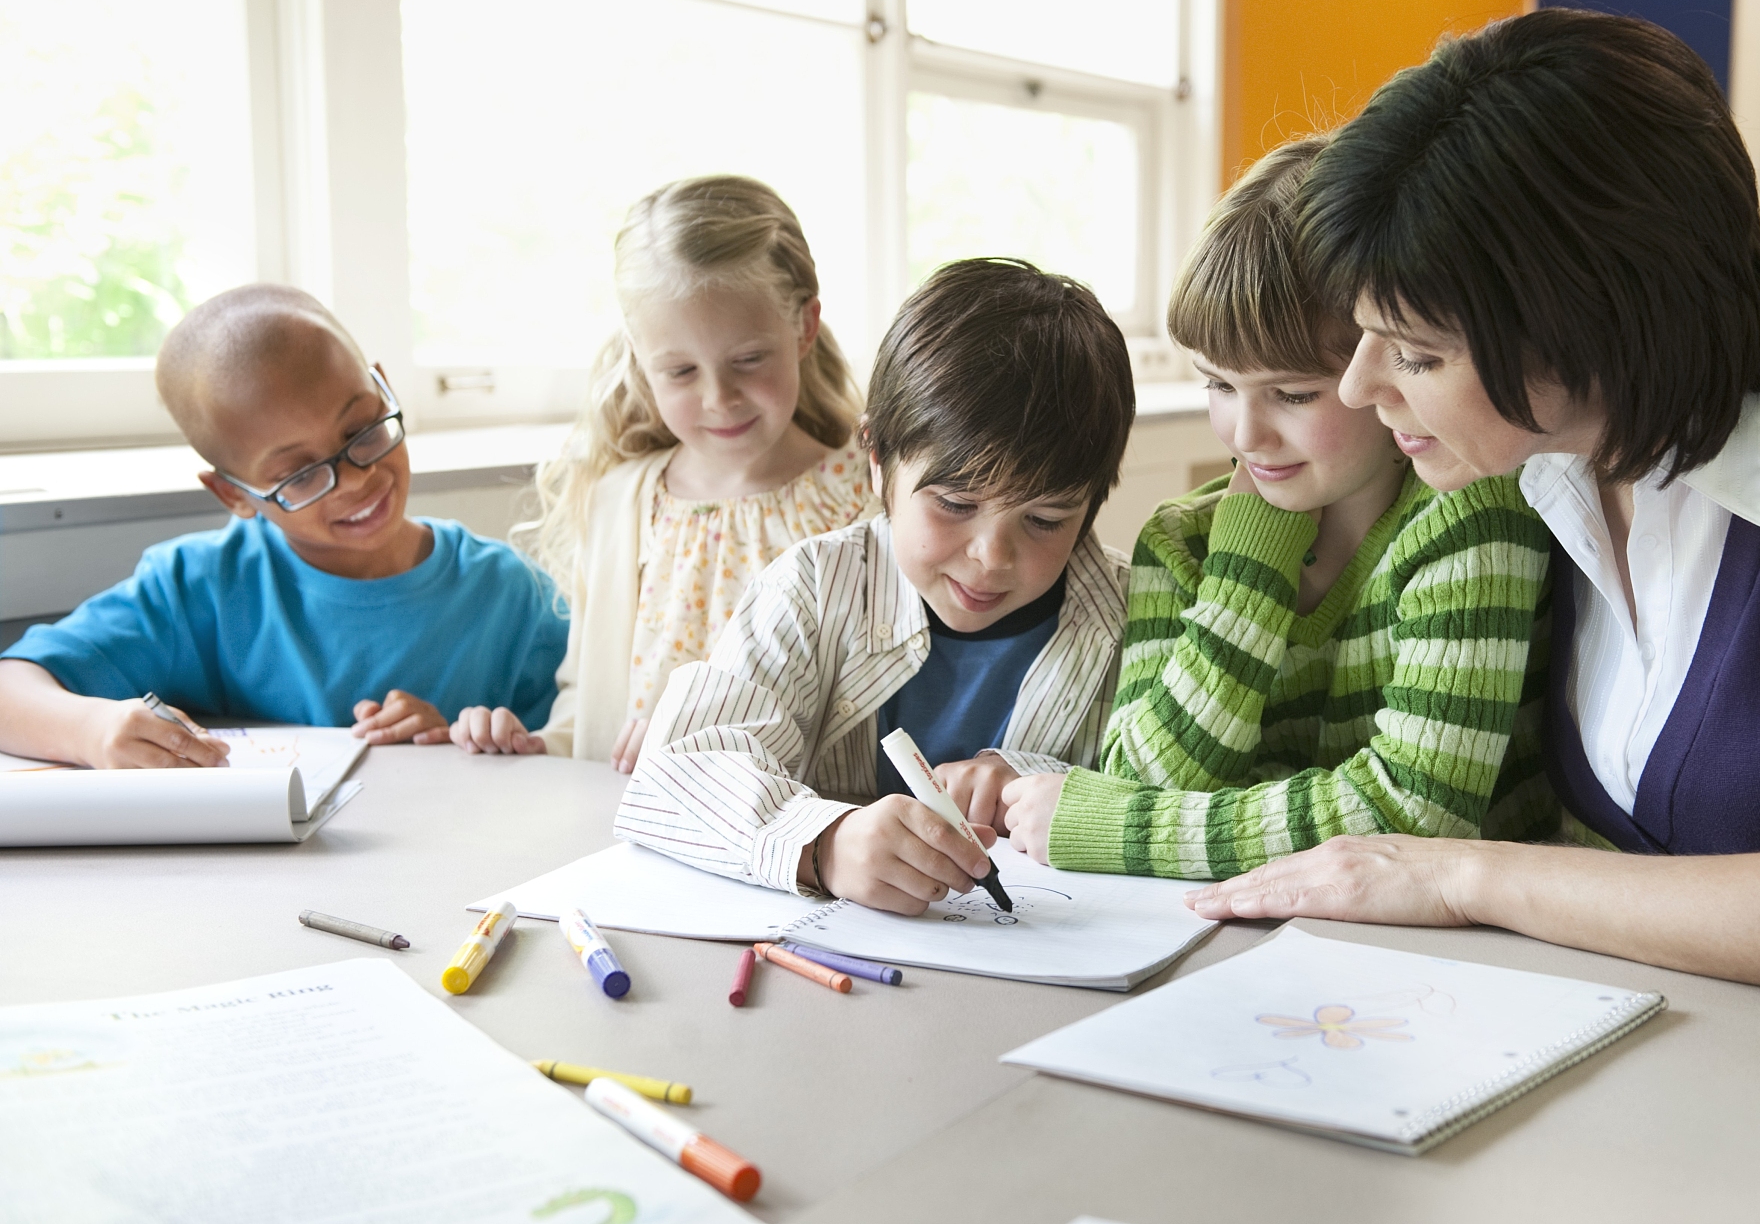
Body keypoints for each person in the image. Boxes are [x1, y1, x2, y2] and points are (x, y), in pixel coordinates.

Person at [1188, 9, 1760, 1018]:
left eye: (1416, 352)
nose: (1356, 387)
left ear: (1592, 324)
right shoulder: (1539, 467)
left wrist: (1464, 876)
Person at [998, 137, 1554, 878]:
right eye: (1219, 386)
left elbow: (1413, 817)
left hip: (1454, 952)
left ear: (1386, 361)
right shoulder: (1183, 541)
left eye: (1292, 394)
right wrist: (1251, 563)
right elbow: (1141, 773)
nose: (1245, 434)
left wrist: (1117, 826)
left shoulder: (1471, 511)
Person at [614, 258, 1135, 915]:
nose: (991, 556)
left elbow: (1180, 797)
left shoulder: (1134, 613)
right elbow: (679, 773)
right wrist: (825, 842)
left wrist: (1049, 786)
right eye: (953, 503)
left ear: (1092, 503)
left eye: (1045, 519)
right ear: (877, 457)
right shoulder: (812, 587)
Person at [0, 284, 566, 768]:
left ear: (383, 388)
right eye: (299, 474)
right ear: (234, 494)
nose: (354, 480)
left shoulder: (512, 596)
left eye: (363, 430)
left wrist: (462, 743)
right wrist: (94, 731)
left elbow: (570, 752)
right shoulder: (197, 589)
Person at [452, 176, 873, 772]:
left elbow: (872, 721)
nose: (718, 398)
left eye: (749, 360)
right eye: (679, 371)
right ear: (640, 355)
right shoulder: (621, 502)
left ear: (804, 328)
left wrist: (706, 736)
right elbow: (588, 709)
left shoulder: (865, 500)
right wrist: (532, 745)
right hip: (631, 841)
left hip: (789, 848)